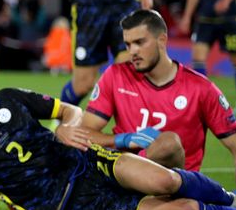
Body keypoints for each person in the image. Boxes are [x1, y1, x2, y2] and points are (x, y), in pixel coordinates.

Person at [0, 79, 236, 210]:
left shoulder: (8, 100)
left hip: (86, 163)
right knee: (186, 209)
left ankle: (228, 199)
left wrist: (65, 129)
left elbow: (71, 112)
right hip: (73, 206)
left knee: (166, 180)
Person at [83, 9, 236, 173]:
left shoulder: (202, 89)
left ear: (162, 40)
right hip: (127, 185)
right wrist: (125, 139)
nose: (132, 51)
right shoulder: (116, 76)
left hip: (177, 191)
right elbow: (84, 134)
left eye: (140, 42)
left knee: (168, 145)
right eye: (128, 44)